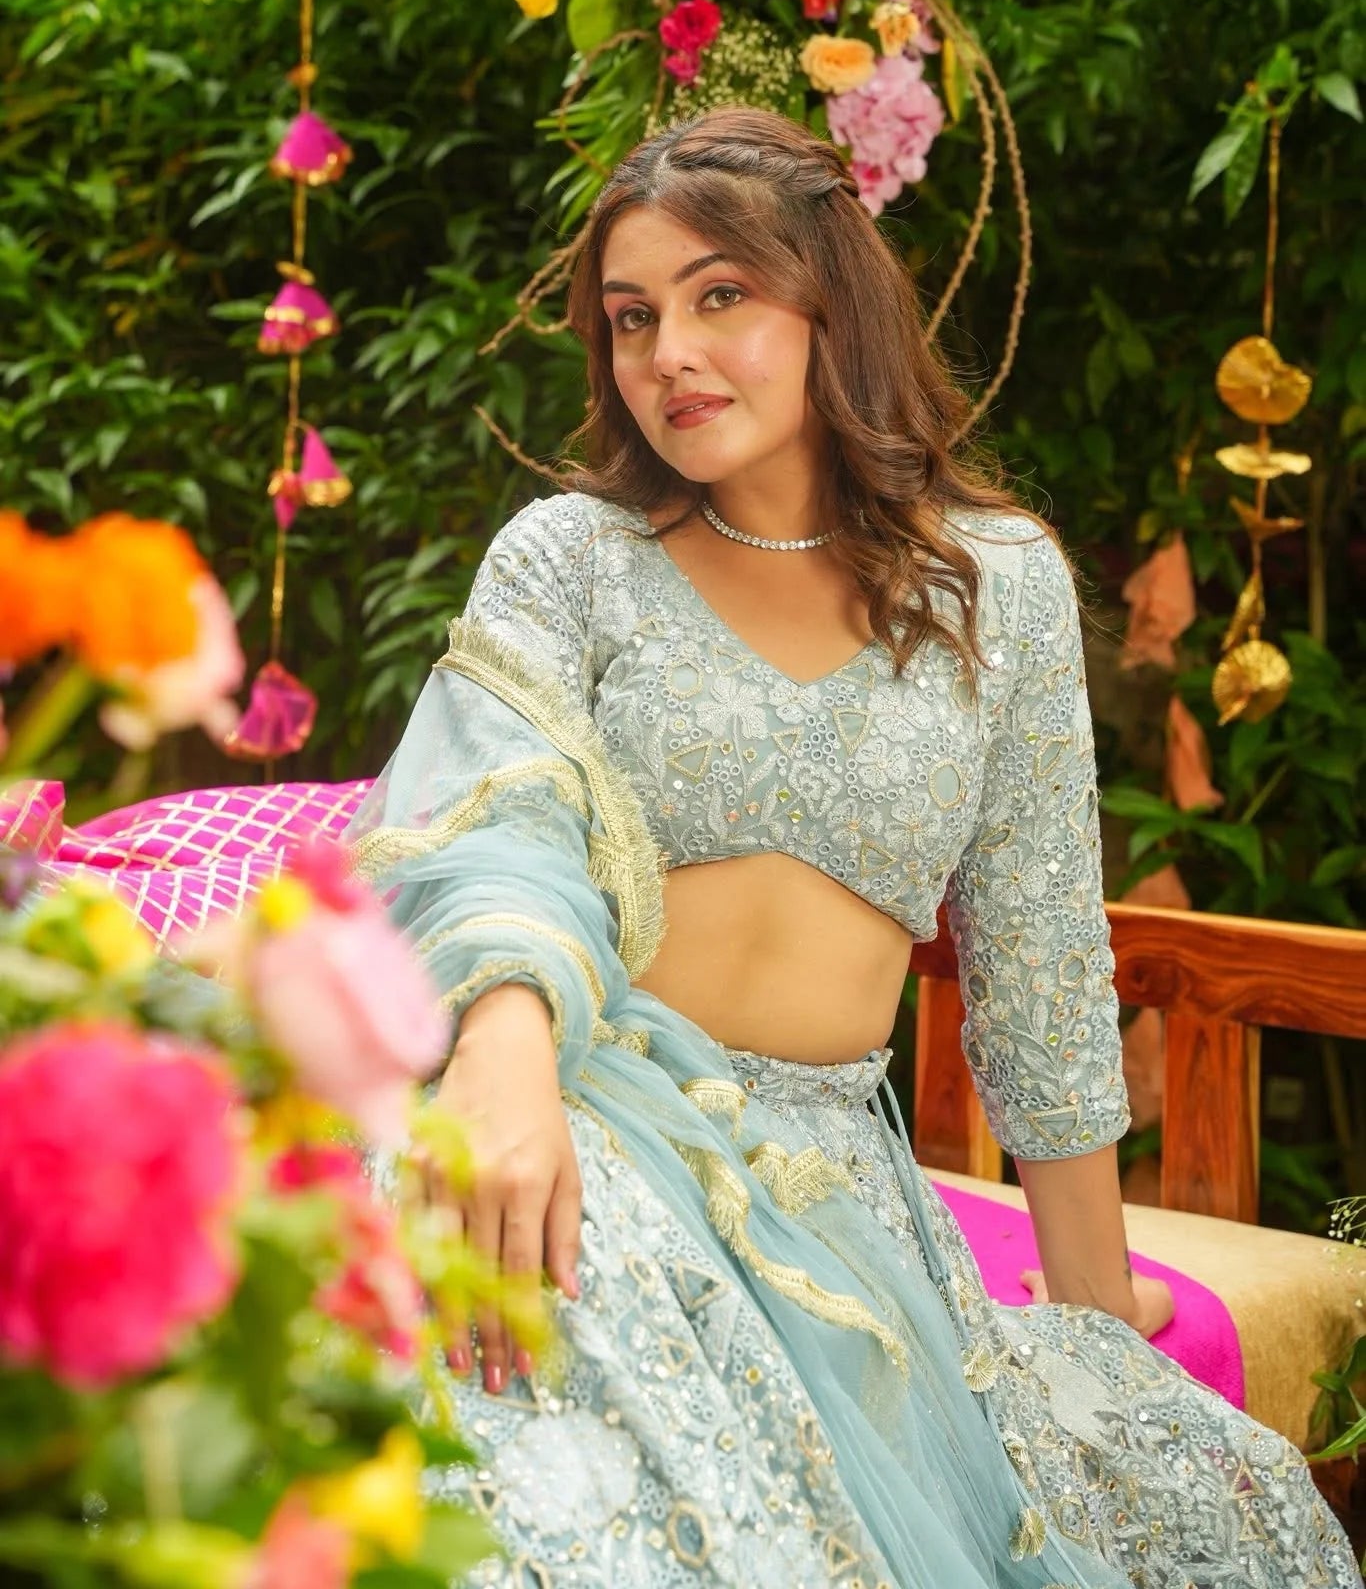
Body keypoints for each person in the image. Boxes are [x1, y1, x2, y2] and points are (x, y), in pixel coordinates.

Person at [348, 108, 1353, 1588]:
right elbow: (485, 820)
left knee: (1220, 1513)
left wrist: (1092, 1306)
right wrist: (503, 1064)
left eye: (721, 296)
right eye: (633, 318)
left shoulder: (994, 586)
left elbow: (1039, 957)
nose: (669, 354)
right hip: (572, 1103)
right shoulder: (572, 560)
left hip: (822, 1182)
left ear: (833, 304)